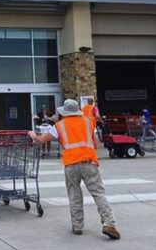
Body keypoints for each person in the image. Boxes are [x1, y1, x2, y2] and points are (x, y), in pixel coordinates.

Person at [28, 99, 120, 240]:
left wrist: (33, 135)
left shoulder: (59, 126)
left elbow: (42, 140)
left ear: (65, 112)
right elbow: (95, 144)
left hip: (71, 164)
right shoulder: (89, 122)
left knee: (74, 195)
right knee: (98, 194)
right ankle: (109, 223)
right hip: (89, 162)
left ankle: (77, 226)